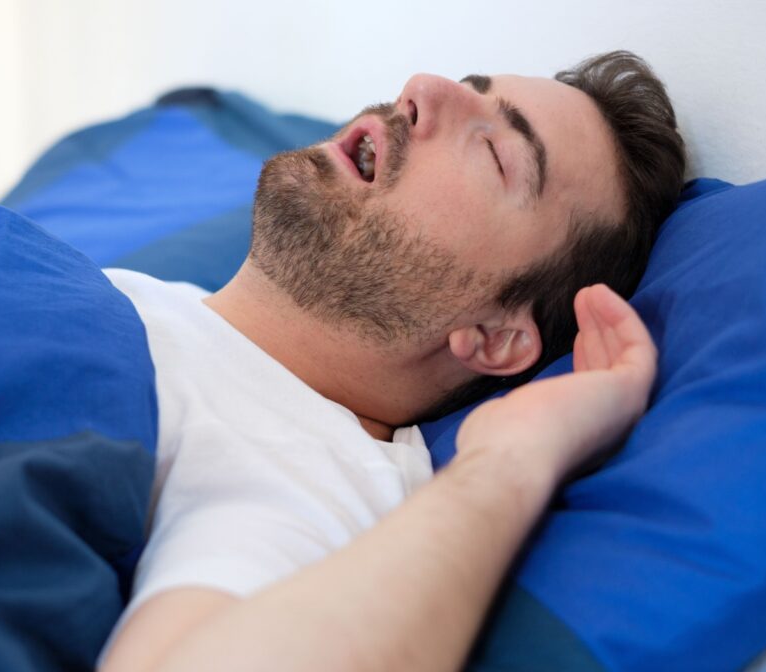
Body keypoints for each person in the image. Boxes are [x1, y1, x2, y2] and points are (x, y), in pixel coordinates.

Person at [100, 50, 686, 671]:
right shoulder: (138, 300)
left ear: (494, 337)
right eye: (467, 87)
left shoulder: (308, 472)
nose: (421, 87)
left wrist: (512, 456)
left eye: (494, 151)